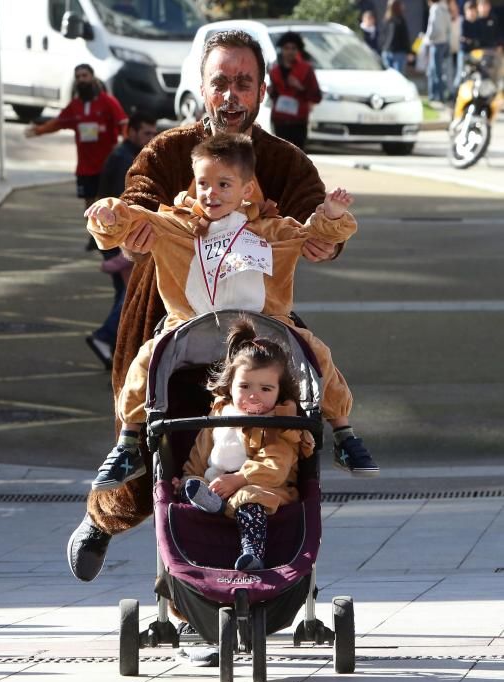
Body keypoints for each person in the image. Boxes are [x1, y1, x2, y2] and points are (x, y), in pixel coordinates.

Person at [67, 30, 358, 584]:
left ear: (262, 91)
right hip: (174, 317)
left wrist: (328, 238)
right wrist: (129, 227)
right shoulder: (171, 150)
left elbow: (313, 215)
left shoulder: (281, 159)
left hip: (255, 327)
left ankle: (248, 560)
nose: (230, 95)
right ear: (201, 87)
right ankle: (105, 523)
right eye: (220, 81)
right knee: (158, 439)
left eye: (242, 83)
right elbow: (136, 198)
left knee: (275, 427)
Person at [85, 132, 378, 492]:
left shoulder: (271, 230)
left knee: (315, 353)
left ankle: (344, 433)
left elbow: (316, 234)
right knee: (146, 358)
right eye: (204, 184)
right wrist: (107, 214)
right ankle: (128, 444)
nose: (212, 193)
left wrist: (332, 214)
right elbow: (127, 220)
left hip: (263, 327)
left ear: (247, 189)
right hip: (190, 328)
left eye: (224, 184)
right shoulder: (176, 225)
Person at [172, 316, 316, 571]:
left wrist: (238, 479)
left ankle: (252, 550)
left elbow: (276, 466)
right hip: (215, 483)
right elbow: (200, 453)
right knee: (192, 485)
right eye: (245, 386)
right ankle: (208, 501)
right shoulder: (220, 415)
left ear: (279, 393)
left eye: (266, 389)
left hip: (263, 487)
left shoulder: (279, 425)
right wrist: (187, 478)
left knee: (249, 499)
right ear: (230, 385)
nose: (253, 395)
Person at [85, 113, 158, 370]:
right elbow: (122, 204)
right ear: (133, 132)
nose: (151, 138)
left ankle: (115, 347)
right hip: (118, 237)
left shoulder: (127, 156)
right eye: (147, 133)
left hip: (115, 235)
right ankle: (106, 338)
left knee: (125, 294)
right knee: (131, 295)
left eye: (153, 133)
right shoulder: (126, 160)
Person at [25, 64, 128, 214]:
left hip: (106, 166)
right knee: (89, 207)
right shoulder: (74, 106)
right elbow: (58, 122)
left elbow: (123, 123)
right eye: (78, 77)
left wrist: (123, 147)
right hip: (85, 167)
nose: (81, 79)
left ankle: (105, 236)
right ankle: (92, 235)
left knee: (106, 205)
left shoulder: (108, 102)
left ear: (92, 77)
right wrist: (38, 130)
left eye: (84, 75)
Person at [268, 31, 322, 151]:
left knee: (298, 157)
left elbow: (317, 96)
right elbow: (274, 96)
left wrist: (300, 87)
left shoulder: (306, 69)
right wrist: (271, 92)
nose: (290, 52)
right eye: (286, 48)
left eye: (293, 48)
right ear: (281, 50)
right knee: (281, 156)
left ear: (298, 50)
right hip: (279, 120)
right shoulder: (274, 71)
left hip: (298, 122)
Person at [425, 0, 453, 104]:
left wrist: (427, 38)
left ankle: (437, 96)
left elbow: (433, 28)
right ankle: (438, 96)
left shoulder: (435, 8)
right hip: (444, 42)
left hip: (436, 43)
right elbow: (448, 28)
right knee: (439, 71)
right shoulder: (445, 8)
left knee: (435, 72)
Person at [455, 1, 481, 88]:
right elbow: (463, 38)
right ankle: (455, 94)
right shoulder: (463, 22)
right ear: (466, 11)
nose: (472, 12)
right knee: (461, 74)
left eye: (473, 10)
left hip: (475, 53)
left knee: (473, 75)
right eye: (470, 10)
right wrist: (470, 41)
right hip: (464, 52)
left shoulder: (478, 23)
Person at [381, 0, 412, 73]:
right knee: (399, 78)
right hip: (398, 52)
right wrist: (409, 52)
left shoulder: (386, 20)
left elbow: (383, 36)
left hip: (386, 51)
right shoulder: (400, 20)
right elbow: (404, 37)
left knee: (388, 78)